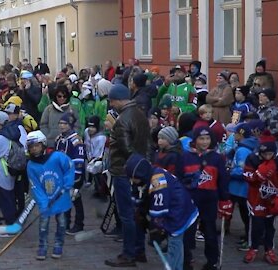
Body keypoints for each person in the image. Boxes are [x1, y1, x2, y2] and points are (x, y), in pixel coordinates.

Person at [125, 153, 199, 270]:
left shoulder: (158, 180)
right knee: (176, 242)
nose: (132, 180)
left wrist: (155, 226)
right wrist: (141, 211)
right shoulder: (150, 175)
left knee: (175, 243)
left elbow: (159, 206)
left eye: (133, 177)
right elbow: (143, 197)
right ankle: (178, 266)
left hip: (178, 213)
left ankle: (172, 267)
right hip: (177, 210)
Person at [105, 84, 150, 267]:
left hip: (124, 171)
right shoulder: (140, 114)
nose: (111, 104)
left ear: (118, 99)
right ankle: (139, 250)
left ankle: (128, 254)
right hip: (139, 169)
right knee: (137, 212)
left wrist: (113, 132)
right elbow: (146, 144)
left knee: (127, 215)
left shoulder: (123, 119)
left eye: (112, 100)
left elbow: (126, 149)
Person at [181, 126, 232, 270]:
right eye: (201, 138)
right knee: (188, 232)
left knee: (210, 231)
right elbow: (180, 178)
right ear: (195, 140)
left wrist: (225, 199)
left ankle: (212, 261)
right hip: (191, 199)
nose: (204, 142)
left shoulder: (216, 158)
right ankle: (186, 259)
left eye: (207, 138)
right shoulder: (186, 157)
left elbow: (222, 179)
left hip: (209, 199)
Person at [243, 131, 278, 265]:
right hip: (256, 197)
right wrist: (258, 175)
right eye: (264, 154)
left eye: (270, 154)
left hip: (273, 198)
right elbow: (246, 176)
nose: (267, 156)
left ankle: (269, 249)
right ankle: (253, 248)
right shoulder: (252, 158)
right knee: (257, 225)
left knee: (270, 226)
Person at [26, 130, 74, 260]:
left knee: (62, 222)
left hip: (61, 195)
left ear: (43, 145)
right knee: (43, 224)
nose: (34, 149)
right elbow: (35, 186)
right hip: (46, 200)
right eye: (31, 147)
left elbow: (69, 168)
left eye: (37, 145)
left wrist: (67, 186)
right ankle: (43, 246)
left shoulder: (57, 157)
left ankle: (58, 244)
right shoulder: (31, 165)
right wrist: (43, 202)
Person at [227, 123, 258, 251]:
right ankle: (247, 237)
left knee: (246, 216)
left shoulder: (242, 150)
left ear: (240, 135)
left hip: (242, 188)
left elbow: (243, 170)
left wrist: (230, 171)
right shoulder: (243, 147)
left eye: (235, 133)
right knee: (245, 215)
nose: (233, 135)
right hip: (241, 189)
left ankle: (250, 240)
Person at [55, 113, 86, 235]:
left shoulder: (75, 140)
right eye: (60, 123)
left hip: (73, 175)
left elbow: (79, 160)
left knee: (76, 200)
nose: (62, 126)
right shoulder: (59, 139)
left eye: (65, 123)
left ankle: (79, 224)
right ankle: (65, 223)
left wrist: (76, 177)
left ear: (71, 125)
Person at [40, 84, 78, 150]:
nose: (62, 98)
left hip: (68, 144)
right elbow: (43, 124)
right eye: (59, 96)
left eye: (64, 96)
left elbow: (77, 125)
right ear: (56, 96)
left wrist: (73, 137)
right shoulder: (48, 109)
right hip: (51, 144)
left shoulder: (72, 109)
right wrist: (47, 136)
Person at [84, 116, 107, 196]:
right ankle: (90, 181)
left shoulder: (101, 137)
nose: (90, 129)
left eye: (93, 127)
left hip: (99, 157)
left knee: (98, 173)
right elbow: (86, 144)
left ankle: (101, 190)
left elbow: (99, 152)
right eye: (89, 126)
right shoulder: (86, 132)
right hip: (89, 154)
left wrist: (93, 159)